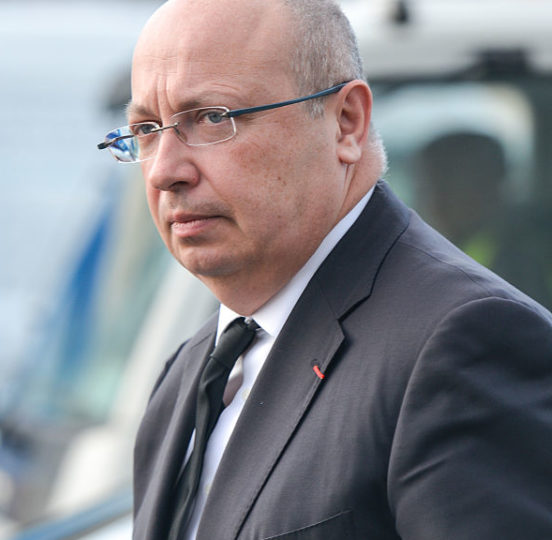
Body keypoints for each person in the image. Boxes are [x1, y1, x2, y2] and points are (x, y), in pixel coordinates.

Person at [95, 0, 552, 538]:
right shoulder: (189, 370)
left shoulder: (466, 343)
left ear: (346, 122)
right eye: (146, 129)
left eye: (213, 117)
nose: (165, 171)